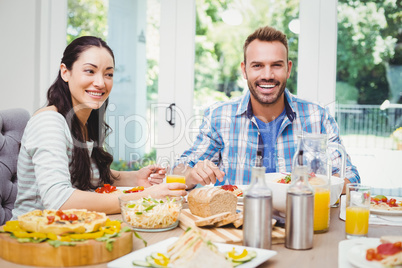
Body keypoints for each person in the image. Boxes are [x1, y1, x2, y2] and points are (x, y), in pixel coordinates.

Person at [12, 36, 186, 219]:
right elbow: (59, 202)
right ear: (65, 72)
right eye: (89, 71)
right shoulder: (49, 122)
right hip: (33, 236)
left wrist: (136, 177)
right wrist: (144, 197)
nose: (101, 83)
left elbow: (86, 173)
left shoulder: (85, 121)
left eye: (108, 74)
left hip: (72, 230)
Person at [175, 26, 360, 192]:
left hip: (300, 219)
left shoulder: (316, 116)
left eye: (276, 65)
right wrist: (192, 174)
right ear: (244, 70)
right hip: (235, 223)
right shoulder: (219, 116)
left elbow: (350, 178)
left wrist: (316, 185)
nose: (267, 75)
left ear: (288, 69)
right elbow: (179, 170)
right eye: (257, 66)